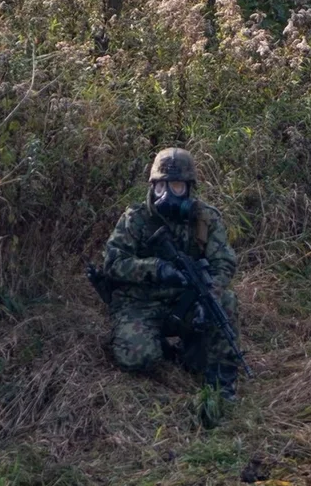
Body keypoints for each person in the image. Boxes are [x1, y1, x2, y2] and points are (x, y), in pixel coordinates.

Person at [98, 148, 241, 399]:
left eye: (175, 186)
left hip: (185, 302)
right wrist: (156, 269)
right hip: (140, 302)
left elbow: (224, 263)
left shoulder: (205, 218)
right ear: (152, 186)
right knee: (137, 358)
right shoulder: (136, 219)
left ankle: (221, 383)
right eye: (161, 186)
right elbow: (113, 262)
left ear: (188, 188)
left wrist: (209, 296)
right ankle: (159, 346)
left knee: (225, 303)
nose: (167, 194)